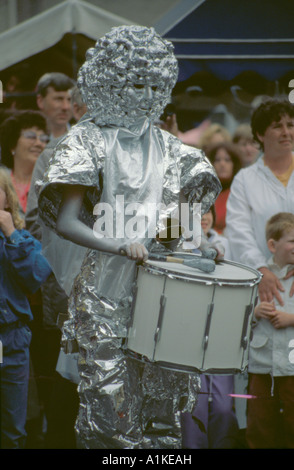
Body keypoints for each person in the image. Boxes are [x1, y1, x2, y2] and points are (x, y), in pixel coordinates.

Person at [36, 25, 221, 449]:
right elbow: (66, 222)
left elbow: (185, 216)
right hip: (103, 291)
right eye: (136, 82)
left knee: (163, 415)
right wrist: (119, 244)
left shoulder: (176, 151)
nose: (145, 94)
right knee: (109, 410)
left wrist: (172, 245)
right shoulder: (87, 140)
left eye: (154, 84)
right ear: (111, 81)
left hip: (162, 293)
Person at [25, 86, 88, 448]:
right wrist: (72, 268)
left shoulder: (157, 153)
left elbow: (176, 217)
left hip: (136, 291)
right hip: (69, 292)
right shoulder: (56, 155)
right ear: (79, 108)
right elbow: (36, 220)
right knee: (66, 390)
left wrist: (171, 242)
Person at [0, 167, 51, 449]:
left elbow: (36, 276)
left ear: (7, 199)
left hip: (13, 338)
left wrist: (11, 234)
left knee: (12, 428)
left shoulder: (20, 237)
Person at [226, 98, 294, 306]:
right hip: (262, 289)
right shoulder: (245, 180)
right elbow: (239, 231)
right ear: (260, 134)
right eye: (277, 126)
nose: (286, 132)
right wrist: (261, 270)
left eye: (290, 125)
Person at [181, 206, 238, 449]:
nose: (202, 217)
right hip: (184, 331)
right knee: (193, 405)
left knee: (224, 407)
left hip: (221, 332)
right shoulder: (172, 238)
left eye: (208, 211)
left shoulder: (227, 244)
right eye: (195, 212)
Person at [246, 212, 294, 448]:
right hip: (261, 367)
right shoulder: (257, 277)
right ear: (273, 245)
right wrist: (255, 314)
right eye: (292, 241)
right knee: (260, 425)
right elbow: (238, 319)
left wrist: (290, 319)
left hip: (292, 367)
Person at [0, 110, 49, 213]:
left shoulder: (50, 184)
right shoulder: (1, 181)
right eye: (31, 137)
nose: (39, 143)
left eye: (43, 138)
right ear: (12, 144)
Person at [207, 142, 242, 234]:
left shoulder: (240, 193)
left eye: (227, 160)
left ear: (234, 164)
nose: (222, 164)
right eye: (217, 160)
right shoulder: (201, 193)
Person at [36, 72, 74, 140]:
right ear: (40, 101)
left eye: (69, 100)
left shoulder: (82, 138)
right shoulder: (30, 140)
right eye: (59, 99)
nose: (65, 107)